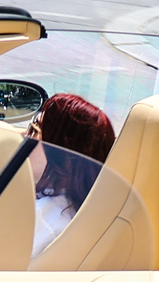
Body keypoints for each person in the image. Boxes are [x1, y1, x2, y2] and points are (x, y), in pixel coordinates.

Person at [26, 92, 115, 257]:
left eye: (34, 129)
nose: (24, 136)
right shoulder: (86, 214)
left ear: (59, 152)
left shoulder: (44, 219)